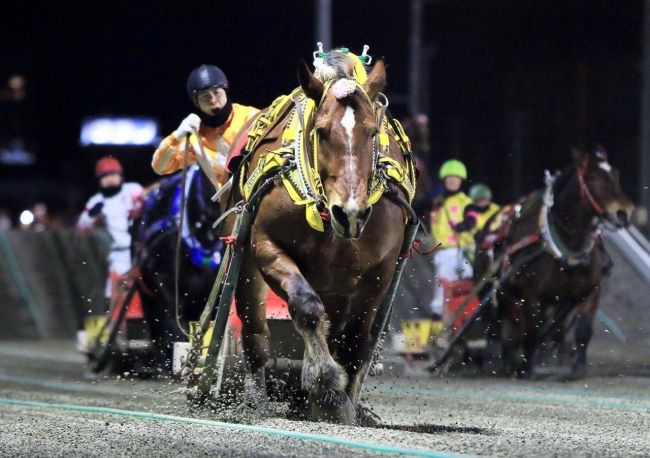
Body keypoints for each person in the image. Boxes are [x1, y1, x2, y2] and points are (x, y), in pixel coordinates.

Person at [151, 64, 259, 186]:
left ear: (225, 91)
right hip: (231, 203)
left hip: (264, 194)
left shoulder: (251, 117)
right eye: (205, 96)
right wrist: (176, 138)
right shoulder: (195, 138)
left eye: (216, 92)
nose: (212, 99)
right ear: (196, 103)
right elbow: (159, 167)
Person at [77, 156, 143, 300]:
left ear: (120, 176)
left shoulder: (132, 189)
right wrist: (91, 215)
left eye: (113, 174)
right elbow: (82, 227)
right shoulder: (96, 200)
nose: (110, 179)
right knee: (117, 297)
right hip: (119, 255)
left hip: (142, 251)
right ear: (99, 180)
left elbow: (146, 201)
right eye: (105, 176)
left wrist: (139, 208)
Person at [428, 159, 474, 320]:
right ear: (444, 181)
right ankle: (441, 316)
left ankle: (467, 315)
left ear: (461, 182)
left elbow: (472, 217)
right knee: (444, 284)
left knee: (465, 283)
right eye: (450, 179)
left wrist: (466, 224)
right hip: (443, 251)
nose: (453, 182)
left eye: (456, 179)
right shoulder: (437, 203)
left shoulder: (465, 201)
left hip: (464, 250)